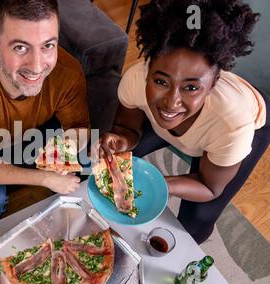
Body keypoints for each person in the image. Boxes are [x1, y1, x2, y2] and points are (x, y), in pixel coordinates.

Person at [99, 0, 268, 244]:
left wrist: (157, 184)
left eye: (191, 87)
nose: (171, 101)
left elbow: (210, 187)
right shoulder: (135, 80)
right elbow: (126, 129)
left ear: (212, 85)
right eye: (160, 82)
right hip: (183, 121)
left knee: (197, 218)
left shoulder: (233, 126)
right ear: (148, 72)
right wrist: (120, 139)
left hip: (238, 127)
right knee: (121, 162)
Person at [0, 0, 91, 223]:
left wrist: (65, 152)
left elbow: (78, 128)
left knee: (84, 164)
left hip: (28, 132)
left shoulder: (67, 72)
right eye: (20, 47)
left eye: (48, 45)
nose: (36, 65)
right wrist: (45, 178)